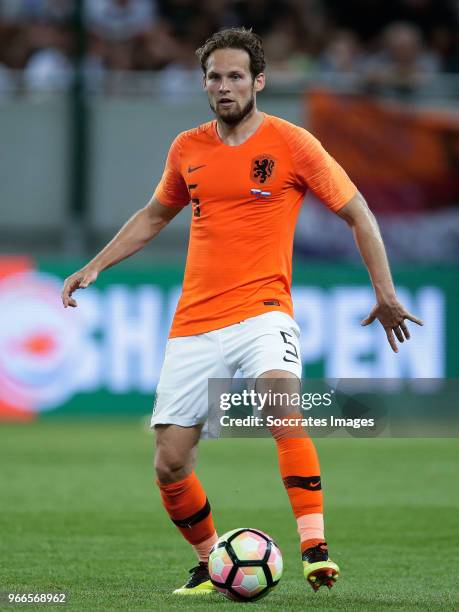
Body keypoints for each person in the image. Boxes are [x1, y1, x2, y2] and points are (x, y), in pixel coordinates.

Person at [61, 27, 423, 595]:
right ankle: (211, 563)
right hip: (195, 322)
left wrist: (385, 291)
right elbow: (155, 216)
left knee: (283, 408)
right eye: (214, 77)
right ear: (203, 84)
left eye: (235, 76)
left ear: (258, 81)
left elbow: (358, 212)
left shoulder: (292, 143)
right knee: (170, 462)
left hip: (264, 310)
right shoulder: (187, 148)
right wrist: (96, 264)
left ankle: (314, 548)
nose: (224, 87)